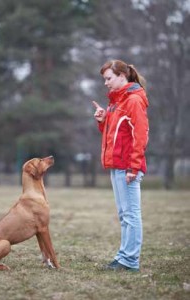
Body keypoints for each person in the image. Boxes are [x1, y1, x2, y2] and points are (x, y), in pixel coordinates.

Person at [93, 59, 149, 272]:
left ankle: (130, 260)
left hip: (128, 167)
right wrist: (102, 120)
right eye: (104, 79)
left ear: (122, 76)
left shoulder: (133, 100)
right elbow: (115, 135)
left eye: (108, 78)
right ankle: (124, 257)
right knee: (124, 215)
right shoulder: (116, 102)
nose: (105, 83)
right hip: (117, 165)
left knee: (131, 214)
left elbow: (140, 135)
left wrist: (133, 167)